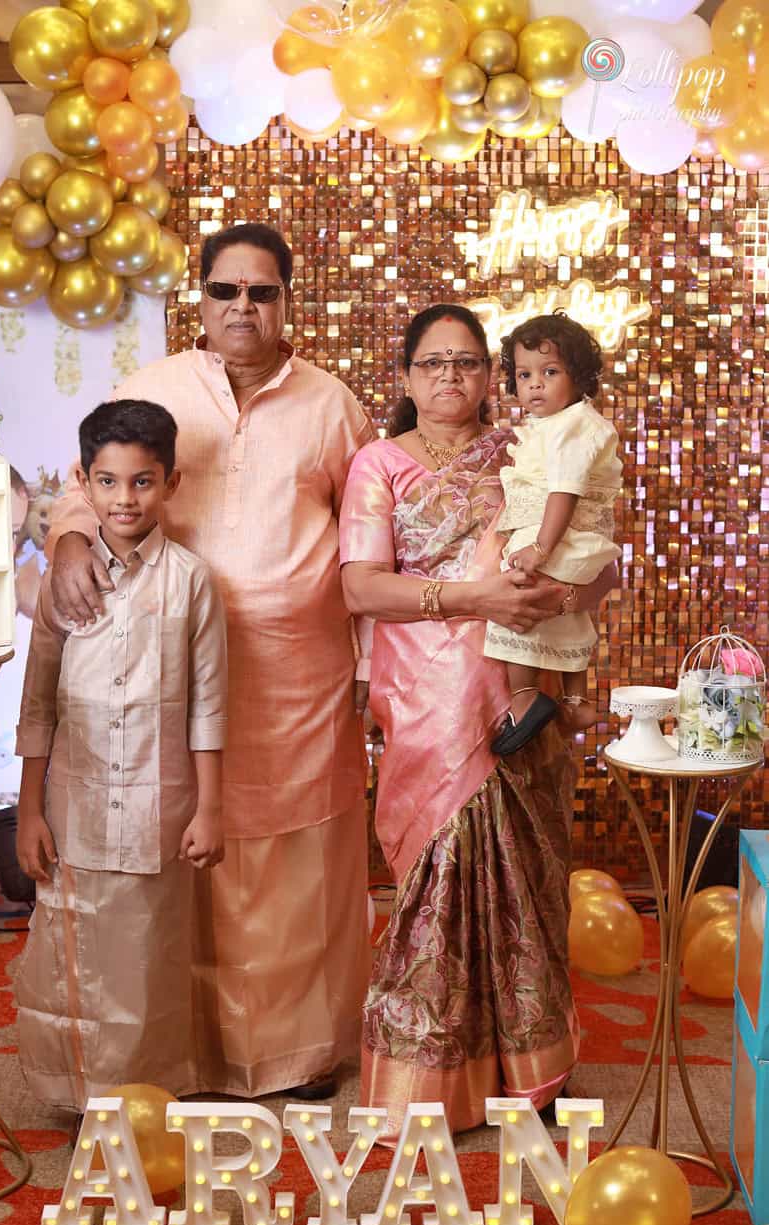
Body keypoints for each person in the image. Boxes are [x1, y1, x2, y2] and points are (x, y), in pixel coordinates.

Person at [44, 223, 373, 1101]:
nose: (243, 308)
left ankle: (296, 1054)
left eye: (262, 293)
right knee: (185, 856)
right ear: (200, 299)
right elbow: (85, 486)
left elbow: (370, 540)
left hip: (299, 677)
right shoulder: (153, 388)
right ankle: (179, 1054)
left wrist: (373, 671)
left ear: (287, 302)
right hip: (164, 675)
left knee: (293, 861)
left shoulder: (331, 404)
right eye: (226, 291)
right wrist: (70, 544)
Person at [339, 304, 615, 1138]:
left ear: (490, 376)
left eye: (466, 362)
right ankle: (430, 1076)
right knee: (440, 872)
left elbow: (598, 542)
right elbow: (360, 589)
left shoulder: (530, 446)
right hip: (425, 692)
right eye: (431, 364)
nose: (450, 378)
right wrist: (473, 598)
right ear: (406, 377)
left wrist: (566, 595)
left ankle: (531, 1066)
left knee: (525, 872)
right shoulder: (376, 465)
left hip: (520, 680)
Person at [14, 399, 228, 1110]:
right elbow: (37, 702)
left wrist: (209, 808)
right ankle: (81, 1098)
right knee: (72, 957)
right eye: (107, 482)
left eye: (142, 481)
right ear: (84, 480)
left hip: (156, 809)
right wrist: (26, 812)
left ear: (170, 482)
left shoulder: (191, 581)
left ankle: (143, 1099)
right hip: (72, 803)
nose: (124, 499)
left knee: (144, 962)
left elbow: (207, 705)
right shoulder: (63, 582)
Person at [484, 313, 623, 755]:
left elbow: (565, 489)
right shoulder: (566, 424)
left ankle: (524, 699)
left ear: (578, 375)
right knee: (567, 614)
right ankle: (576, 700)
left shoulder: (572, 427)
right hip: (573, 542)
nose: (535, 385)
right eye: (524, 375)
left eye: (550, 372)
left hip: (560, 538)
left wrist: (539, 547)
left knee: (518, 604)